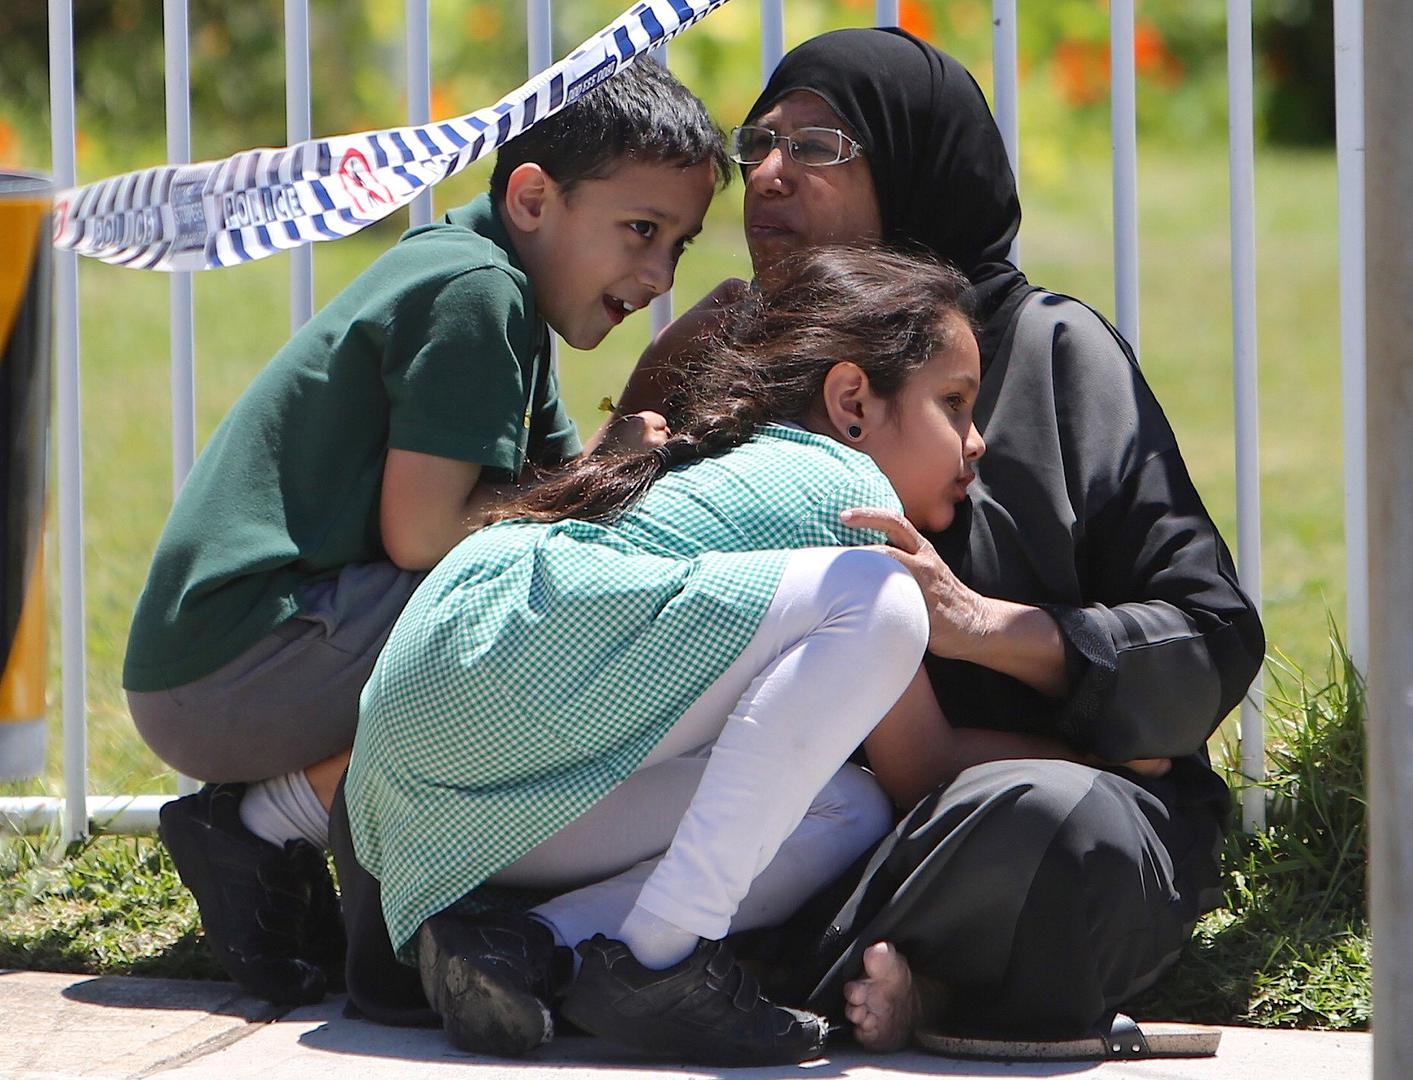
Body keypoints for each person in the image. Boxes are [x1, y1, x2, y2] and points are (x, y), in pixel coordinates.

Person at [614, 28, 1265, 1052]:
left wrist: (978, 626)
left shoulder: (1049, 354)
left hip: (983, 817)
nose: (770, 174)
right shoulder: (732, 357)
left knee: (1058, 827)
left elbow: (1205, 644)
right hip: (779, 813)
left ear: (917, 170)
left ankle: (724, 964)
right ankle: (841, 968)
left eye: (817, 147)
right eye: (760, 145)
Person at [121, 58, 727, 1007]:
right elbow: (426, 534)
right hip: (230, 672)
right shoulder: (474, 291)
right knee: (535, 617)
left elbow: (549, 499)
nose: (656, 278)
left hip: (249, 656)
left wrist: (630, 430)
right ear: (533, 198)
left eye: (678, 246)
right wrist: (608, 469)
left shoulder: (500, 288)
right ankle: (264, 828)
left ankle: (286, 829)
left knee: (549, 593)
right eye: (641, 231)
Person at [343, 245, 986, 1065]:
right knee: (882, 597)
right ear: (851, 402)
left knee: (844, 809)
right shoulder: (846, 494)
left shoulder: (724, 463)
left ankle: (524, 948)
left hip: (426, 812)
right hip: (495, 741)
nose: (975, 441)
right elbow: (920, 765)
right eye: (953, 403)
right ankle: (659, 959)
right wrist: (1088, 740)